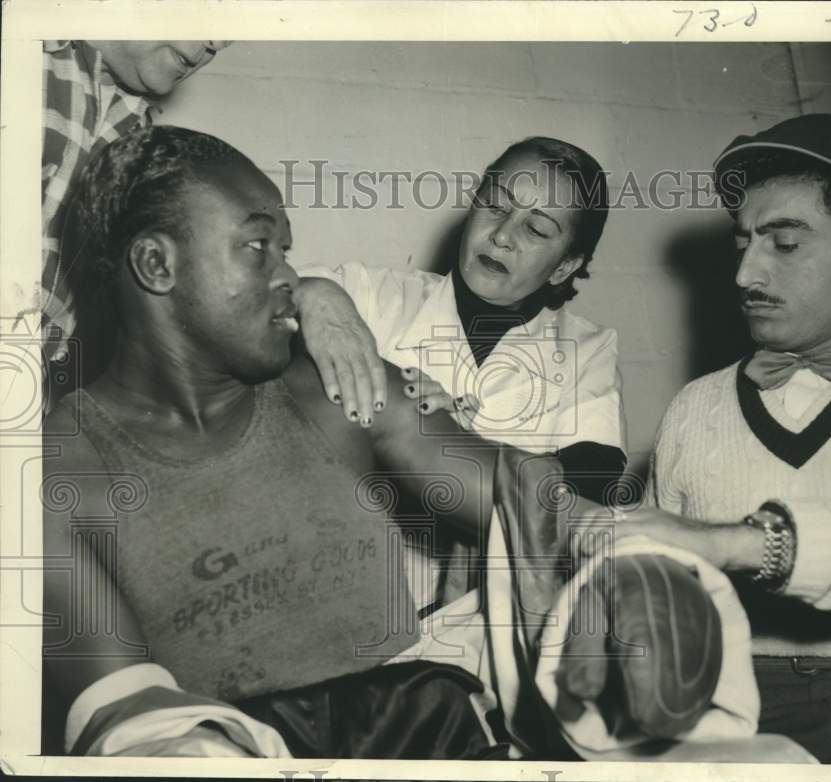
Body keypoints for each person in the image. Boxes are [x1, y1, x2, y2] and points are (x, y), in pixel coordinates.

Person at [42, 125, 769, 761]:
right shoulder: (54, 465)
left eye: (290, 254)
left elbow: (543, 508)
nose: (290, 278)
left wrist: (639, 569)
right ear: (156, 265)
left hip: (425, 717)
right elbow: (116, 698)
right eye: (261, 248)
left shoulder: (342, 392)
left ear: (568, 263)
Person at [605, 114, 831, 764]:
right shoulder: (695, 407)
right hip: (745, 697)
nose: (745, 274)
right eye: (742, 243)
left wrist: (745, 543)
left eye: (785, 244)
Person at [296, 137, 627, 609]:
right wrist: (315, 296)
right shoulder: (375, 297)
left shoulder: (586, 350)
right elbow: (249, 300)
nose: (502, 235)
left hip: (487, 629)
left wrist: (448, 437)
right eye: (494, 205)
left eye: (535, 229)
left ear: (565, 267)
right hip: (346, 603)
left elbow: (582, 500)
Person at [38, 41, 231, 373]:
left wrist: (314, 294)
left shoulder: (136, 130)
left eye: (230, 36)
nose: (215, 44)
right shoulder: (26, 53)